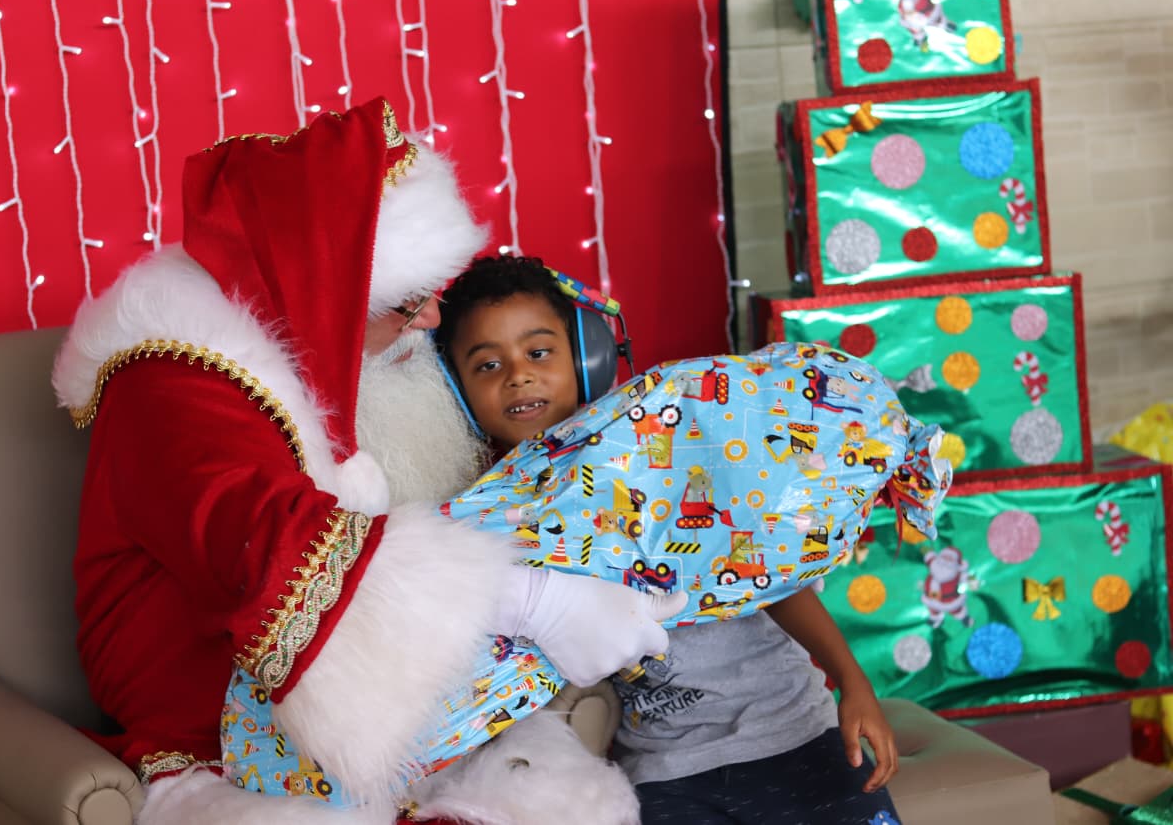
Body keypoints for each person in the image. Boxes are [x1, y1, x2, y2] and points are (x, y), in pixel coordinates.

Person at [51, 98, 681, 824]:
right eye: (409, 301)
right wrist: (538, 602)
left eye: (434, 294)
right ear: (328, 291)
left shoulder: (344, 355)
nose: (432, 320)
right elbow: (274, 549)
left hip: (402, 718)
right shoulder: (169, 385)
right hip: (220, 740)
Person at [436, 254, 903, 824]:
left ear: (586, 355)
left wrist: (853, 681)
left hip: (790, 732)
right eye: (487, 364)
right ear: (456, 387)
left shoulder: (667, 446)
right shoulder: (488, 514)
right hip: (664, 771)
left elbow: (770, 576)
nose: (518, 375)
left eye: (538, 352)